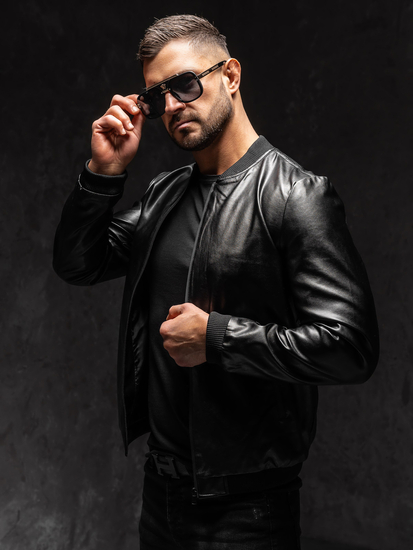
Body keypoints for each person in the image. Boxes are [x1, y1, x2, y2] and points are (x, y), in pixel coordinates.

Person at [53, 14, 379, 550]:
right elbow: (78, 263)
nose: (171, 105)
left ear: (230, 75)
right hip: (161, 496)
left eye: (185, 83)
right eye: (156, 96)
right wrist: (102, 172)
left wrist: (218, 338)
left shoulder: (295, 196)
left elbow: (351, 348)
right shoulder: (163, 196)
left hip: (248, 512)